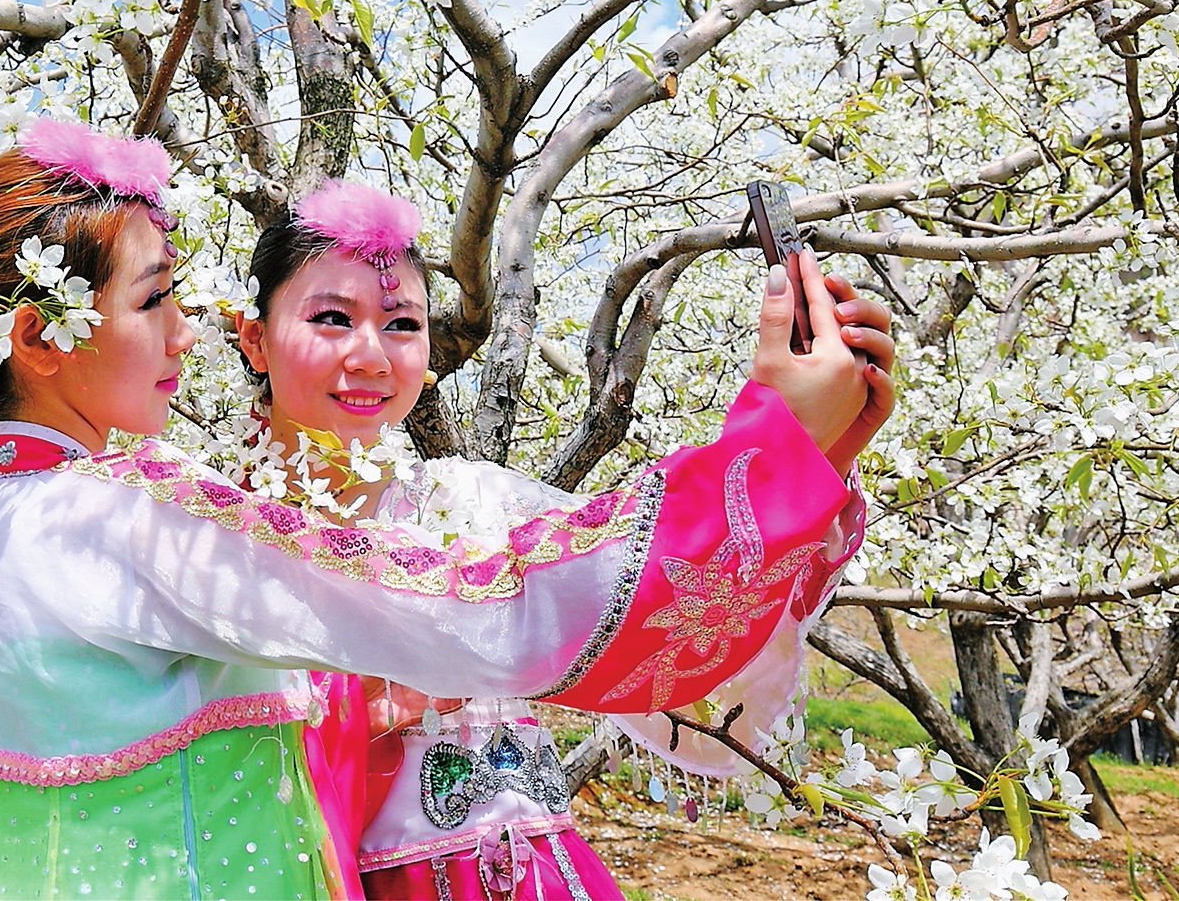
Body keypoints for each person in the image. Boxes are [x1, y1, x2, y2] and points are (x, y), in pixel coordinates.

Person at [0, 120, 877, 901]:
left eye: (401, 323)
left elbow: (679, 690)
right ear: (44, 339)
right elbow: (500, 614)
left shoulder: (7, 518)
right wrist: (767, 448)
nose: (176, 333)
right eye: (154, 301)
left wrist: (800, 459)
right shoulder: (123, 515)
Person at [229, 182, 894, 900]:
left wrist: (807, 454)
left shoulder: (474, 500)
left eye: (401, 323)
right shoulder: (210, 540)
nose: (371, 356)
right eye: (333, 317)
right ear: (254, 337)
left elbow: (647, 592)